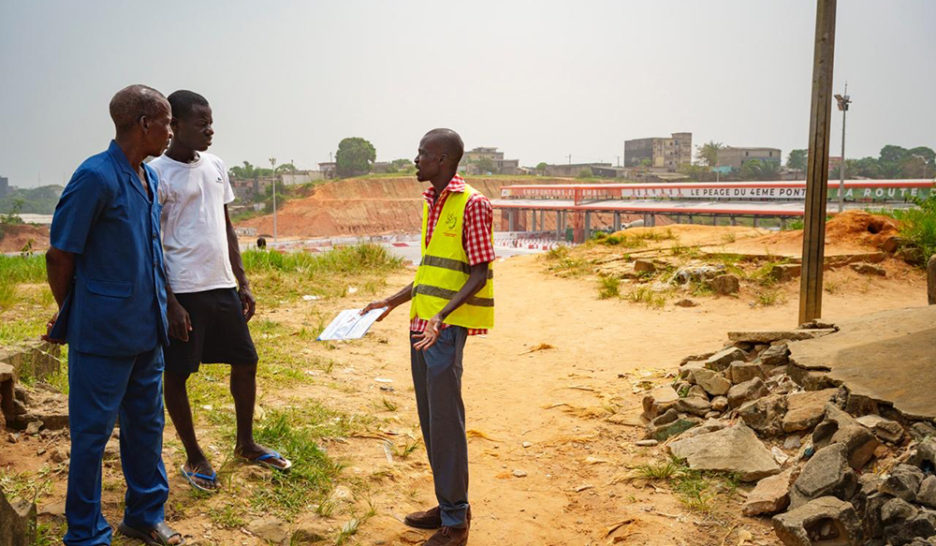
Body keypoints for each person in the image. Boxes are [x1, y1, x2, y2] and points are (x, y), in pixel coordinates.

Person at [45, 85, 183, 545]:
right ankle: (85, 533)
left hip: (147, 331)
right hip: (102, 336)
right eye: (166, 122)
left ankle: (145, 514)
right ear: (144, 124)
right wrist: (74, 312)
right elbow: (60, 255)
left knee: (147, 426)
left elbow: (152, 253)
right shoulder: (95, 177)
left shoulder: (149, 178)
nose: (171, 131)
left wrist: (170, 306)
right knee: (92, 436)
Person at [150, 90, 290, 493]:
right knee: (178, 373)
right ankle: (194, 455)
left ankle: (245, 443)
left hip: (222, 285)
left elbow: (225, 224)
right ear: (174, 126)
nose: (210, 130)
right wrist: (170, 301)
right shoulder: (156, 173)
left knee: (246, 361)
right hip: (184, 290)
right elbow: (152, 241)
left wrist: (242, 280)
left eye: (212, 122)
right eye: (201, 123)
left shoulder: (215, 165)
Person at [363, 128, 494, 546]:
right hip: (421, 324)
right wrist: (391, 301)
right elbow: (428, 272)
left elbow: (479, 274)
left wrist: (441, 316)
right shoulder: (432, 203)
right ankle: (449, 503)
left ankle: (456, 523)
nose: (415, 160)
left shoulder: (473, 204)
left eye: (422, 154)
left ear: (443, 160)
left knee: (446, 423)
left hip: (444, 328)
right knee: (431, 420)